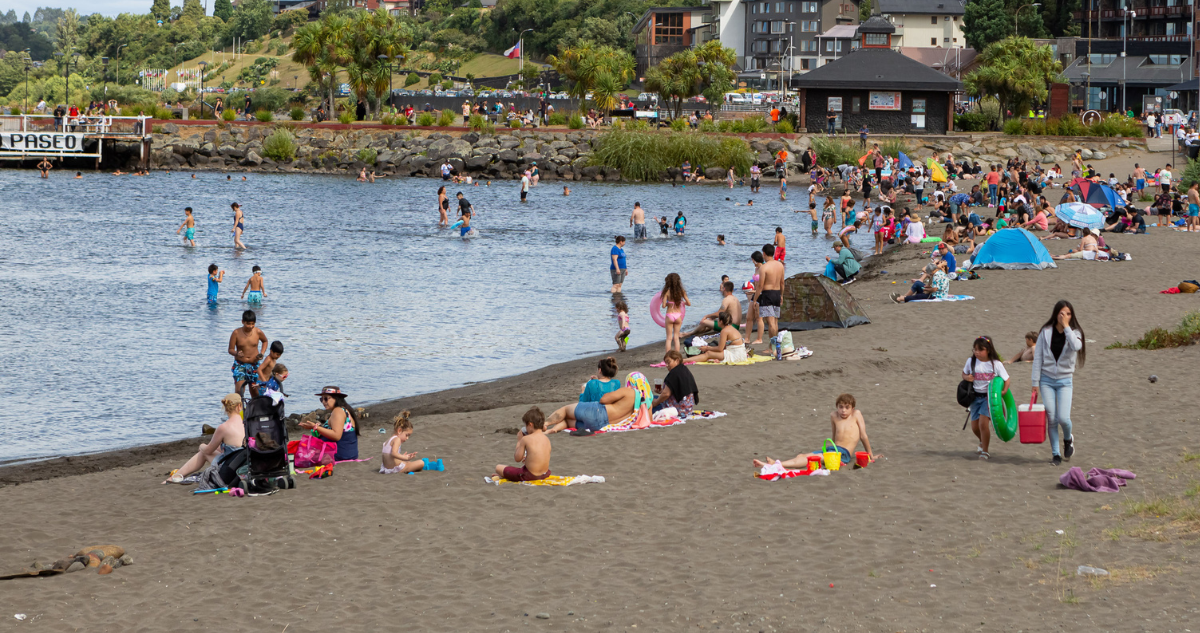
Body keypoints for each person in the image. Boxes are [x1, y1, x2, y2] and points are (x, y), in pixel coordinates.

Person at [753, 393, 878, 472]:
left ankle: (776, 464)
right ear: (837, 407)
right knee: (801, 455)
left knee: (812, 459)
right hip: (832, 449)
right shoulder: (834, 415)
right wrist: (828, 451)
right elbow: (834, 437)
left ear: (852, 408)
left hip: (843, 454)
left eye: (847, 407)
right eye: (841, 407)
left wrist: (871, 456)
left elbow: (863, 436)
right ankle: (776, 464)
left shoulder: (856, 414)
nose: (843, 411)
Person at [1031, 300, 1085, 465]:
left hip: (1065, 381)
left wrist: (1066, 327)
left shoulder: (1075, 332)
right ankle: (1056, 454)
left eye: (1068, 314)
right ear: (1056, 314)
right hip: (1046, 380)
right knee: (1052, 418)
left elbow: (1076, 346)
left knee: (1063, 418)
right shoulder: (1046, 332)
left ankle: (1068, 439)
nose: (1064, 316)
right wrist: (1035, 382)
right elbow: (1038, 358)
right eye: (1062, 313)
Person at [163, 393, 247, 483]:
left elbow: (208, 451)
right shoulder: (247, 424)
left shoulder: (224, 427)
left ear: (225, 408)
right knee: (217, 449)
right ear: (240, 406)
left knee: (203, 453)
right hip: (244, 467)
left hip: (230, 470)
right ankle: (178, 474)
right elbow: (235, 448)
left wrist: (202, 446)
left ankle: (176, 476)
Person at [963, 336, 1009, 461]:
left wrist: (1004, 391)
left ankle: (985, 451)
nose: (977, 352)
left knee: (983, 424)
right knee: (975, 427)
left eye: (980, 349)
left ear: (988, 350)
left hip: (988, 398)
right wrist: (967, 377)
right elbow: (964, 373)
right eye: (975, 349)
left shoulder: (996, 364)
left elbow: (1006, 379)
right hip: (975, 397)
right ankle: (982, 440)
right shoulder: (971, 361)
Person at [545, 380, 637, 435]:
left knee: (565, 410)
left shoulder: (629, 391)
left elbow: (603, 399)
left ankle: (545, 424)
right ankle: (553, 430)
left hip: (598, 412)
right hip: (600, 425)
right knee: (568, 421)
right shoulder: (639, 404)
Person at [301, 386, 360, 461]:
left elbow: (336, 436)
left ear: (336, 398)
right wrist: (317, 427)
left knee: (298, 450)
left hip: (340, 454)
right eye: (321, 399)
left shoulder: (338, 411)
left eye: (326, 399)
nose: (323, 402)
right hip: (348, 453)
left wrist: (316, 428)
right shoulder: (343, 410)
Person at [493, 407, 552, 481]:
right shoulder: (547, 439)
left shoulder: (525, 439)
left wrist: (519, 441)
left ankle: (505, 475)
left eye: (526, 426)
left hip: (530, 476)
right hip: (545, 474)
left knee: (498, 467)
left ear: (530, 425)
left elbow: (517, 458)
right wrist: (527, 460)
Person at [752, 245, 785, 356]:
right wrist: (781, 295)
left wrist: (755, 300)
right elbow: (782, 282)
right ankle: (774, 346)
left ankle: (772, 348)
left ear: (764, 253)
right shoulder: (780, 265)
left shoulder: (764, 268)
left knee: (770, 323)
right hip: (776, 293)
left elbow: (760, 286)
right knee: (775, 322)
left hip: (767, 294)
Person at [229, 309, 268, 395]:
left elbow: (265, 341)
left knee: (255, 391)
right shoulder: (236, 333)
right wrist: (236, 353)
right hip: (240, 364)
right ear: (243, 322)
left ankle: (255, 404)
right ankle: (240, 403)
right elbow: (230, 349)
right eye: (248, 324)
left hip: (254, 365)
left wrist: (262, 353)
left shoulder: (257, 332)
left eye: (252, 324)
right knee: (239, 390)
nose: (250, 326)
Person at [651, 350, 699, 416]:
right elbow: (679, 391)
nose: (666, 365)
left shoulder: (674, 373)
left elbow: (666, 394)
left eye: (668, 362)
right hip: (688, 409)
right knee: (655, 397)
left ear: (677, 360)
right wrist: (661, 391)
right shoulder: (684, 370)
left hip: (677, 410)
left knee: (647, 400)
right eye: (666, 363)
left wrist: (656, 403)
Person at [659, 272, 691, 353]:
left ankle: (668, 355)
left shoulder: (667, 291)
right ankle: (677, 355)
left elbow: (663, 306)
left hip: (670, 315)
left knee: (669, 338)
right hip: (678, 316)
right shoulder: (681, 291)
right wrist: (682, 303)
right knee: (676, 338)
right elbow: (689, 303)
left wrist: (668, 303)